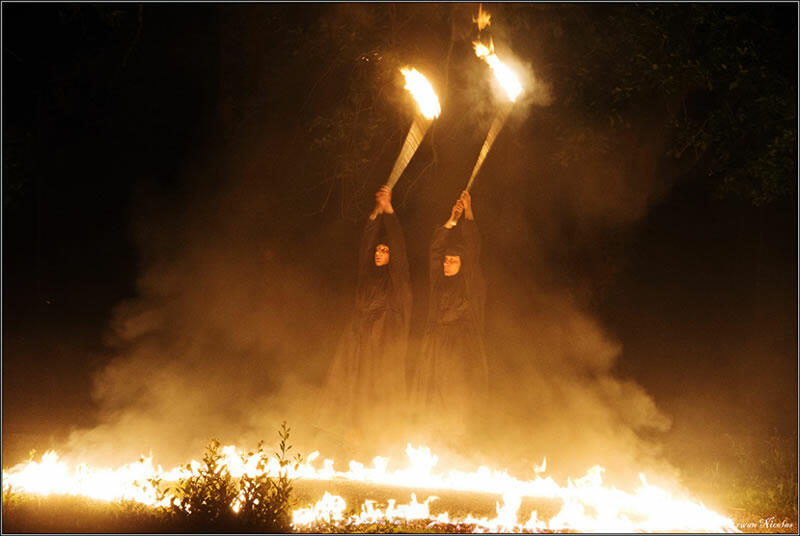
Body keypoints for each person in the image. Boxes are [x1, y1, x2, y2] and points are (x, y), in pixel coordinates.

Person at [315, 186, 412, 444]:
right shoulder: (366, 277)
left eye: (384, 251)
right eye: (378, 251)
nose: (379, 254)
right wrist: (375, 213)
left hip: (381, 344)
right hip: (359, 340)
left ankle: (376, 437)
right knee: (351, 387)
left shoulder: (397, 281)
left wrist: (389, 212)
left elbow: (399, 248)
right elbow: (365, 244)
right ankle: (350, 435)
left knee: (375, 389)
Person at [411, 190, 488, 439]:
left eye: (453, 260)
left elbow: (472, 248)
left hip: (459, 346)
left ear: (462, 263)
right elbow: (435, 250)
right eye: (446, 261)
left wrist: (467, 211)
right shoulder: (438, 282)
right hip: (434, 346)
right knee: (430, 392)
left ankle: (456, 440)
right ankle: (429, 439)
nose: (447, 264)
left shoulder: (470, 282)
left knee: (454, 393)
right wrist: (451, 220)